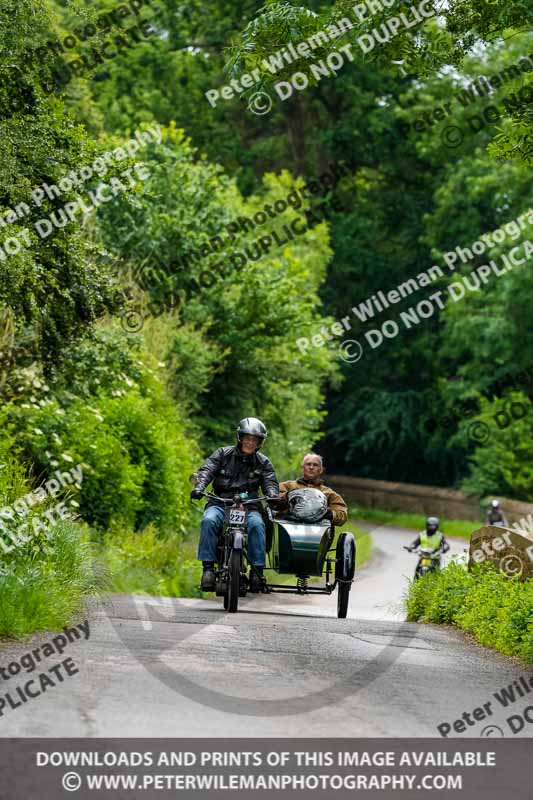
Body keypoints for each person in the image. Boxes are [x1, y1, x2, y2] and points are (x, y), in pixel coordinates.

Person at [191, 417, 279, 592]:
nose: (250, 442)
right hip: (221, 502)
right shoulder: (222, 454)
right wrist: (200, 486)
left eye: (254, 439)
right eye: (247, 438)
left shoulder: (264, 462)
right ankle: (208, 569)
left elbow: (270, 482)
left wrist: (272, 494)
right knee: (209, 520)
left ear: (259, 442)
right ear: (239, 438)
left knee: (257, 525)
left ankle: (256, 571)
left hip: (249, 506)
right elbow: (207, 470)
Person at [276, 453, 348, 526]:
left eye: (315, 465)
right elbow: (273, 501)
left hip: (318, 532)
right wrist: (288, 496)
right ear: (302, 468)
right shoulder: (287, 486)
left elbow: (342, 515)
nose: (311, 467)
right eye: (308, 464)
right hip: (289, 528)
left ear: (321, 469)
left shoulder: (330, 493)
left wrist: (326, 513)